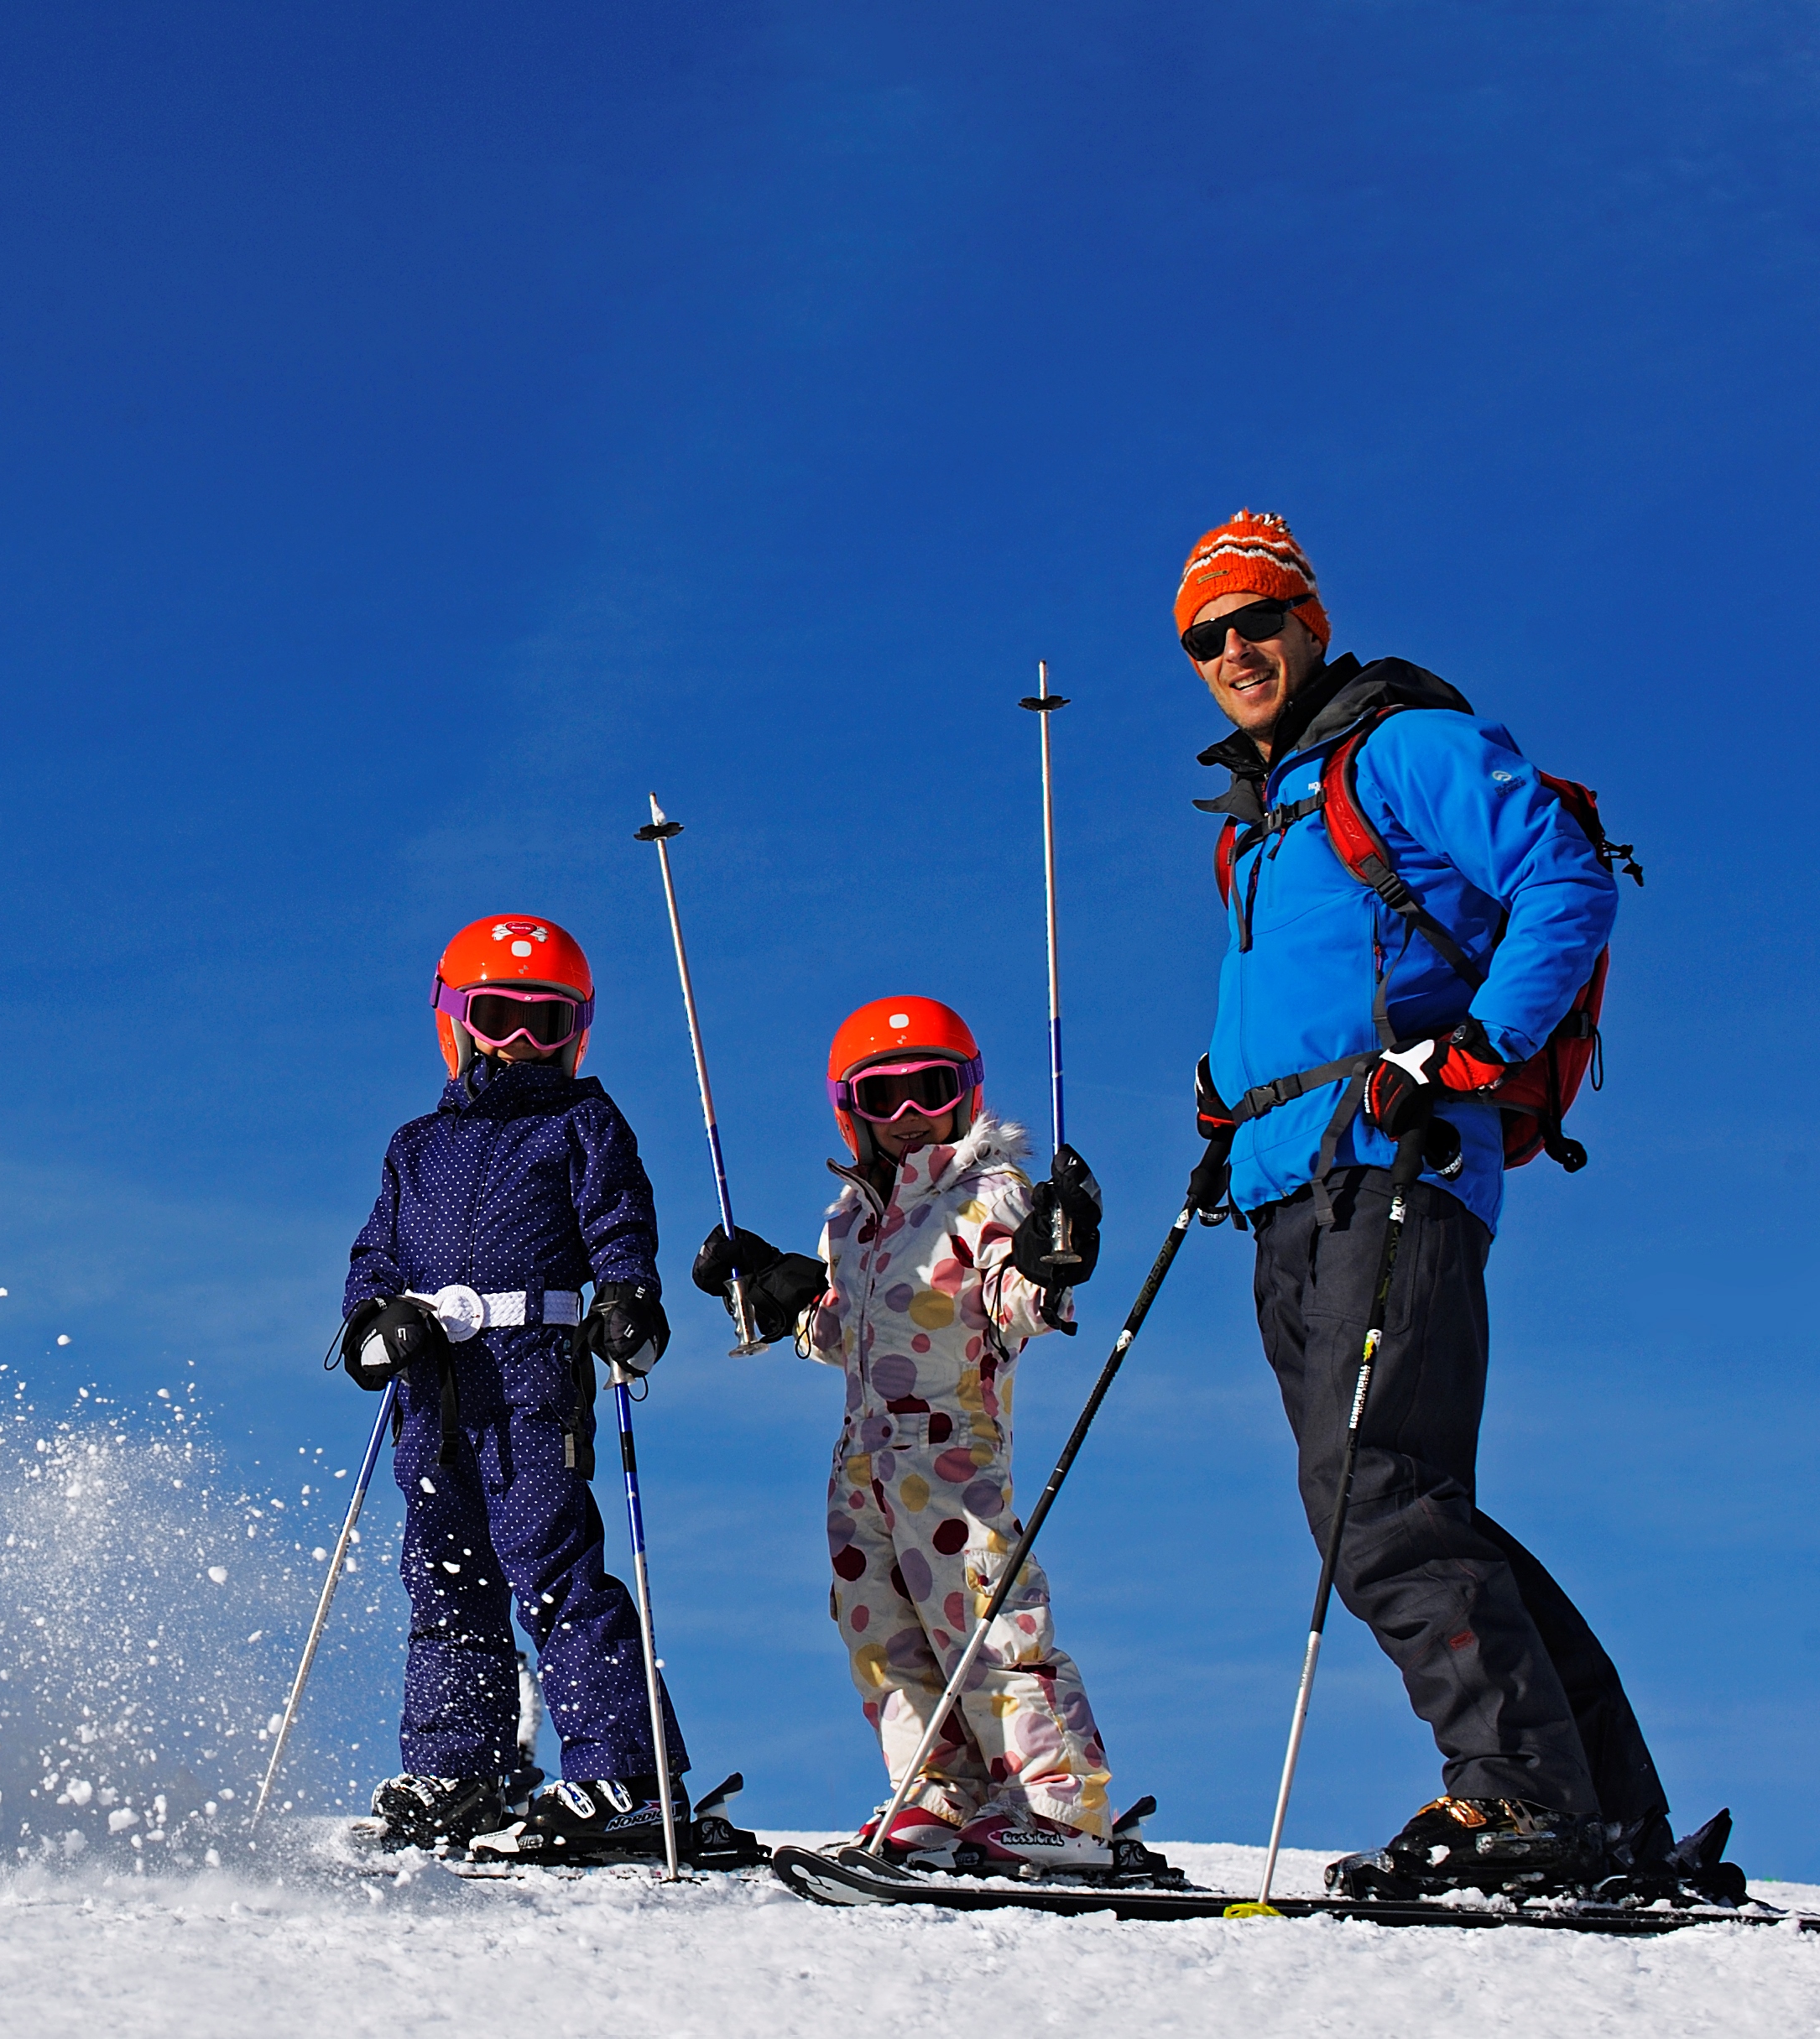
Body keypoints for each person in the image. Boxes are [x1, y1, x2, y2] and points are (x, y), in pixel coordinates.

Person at [1174, 510, 1737, 1903]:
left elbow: (1563, 879)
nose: (1236, 650)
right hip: (1286, 1190)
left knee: (1374, 1494)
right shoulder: (1258, 821)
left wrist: (1471, 1051)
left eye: (1258, 619)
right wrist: (1228, 1117)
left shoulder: (1401, 747)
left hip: (1395, 1167)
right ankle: (1601, 1810)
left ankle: (1519, 1799)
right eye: (1207, 637)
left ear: (1309, 618)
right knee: (1399, 1497)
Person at [691, 999, 1155, 1880]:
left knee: (984, 1622)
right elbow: (847, 1334)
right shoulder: (853, 1223)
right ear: (850, 1110)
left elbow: (1014, 1301)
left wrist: (1050, 1264)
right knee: (877, 1630)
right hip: (860, 1461)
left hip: (950, 1454)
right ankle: (940, 1789)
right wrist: (783, 1290)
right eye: (884, 1095)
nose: (908, 1116)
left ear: (965, 1095)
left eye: (929, 1091)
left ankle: (1061, 1804)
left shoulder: (987, 1196)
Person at [337, 914, 724, 1867]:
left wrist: (628, 1298)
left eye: (542, 1023)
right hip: (431, 1386)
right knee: (443, 1576)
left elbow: (617, 1223)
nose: (518, 1043)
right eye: (497, 1016)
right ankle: (458, 1769)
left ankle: (624, 1770)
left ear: (576, 1032)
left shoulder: (581, 1122)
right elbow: (376, 1250)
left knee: (551, 1564)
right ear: (454, 1020)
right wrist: (368, 1322)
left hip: (529, 1377)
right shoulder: (414, 1145)